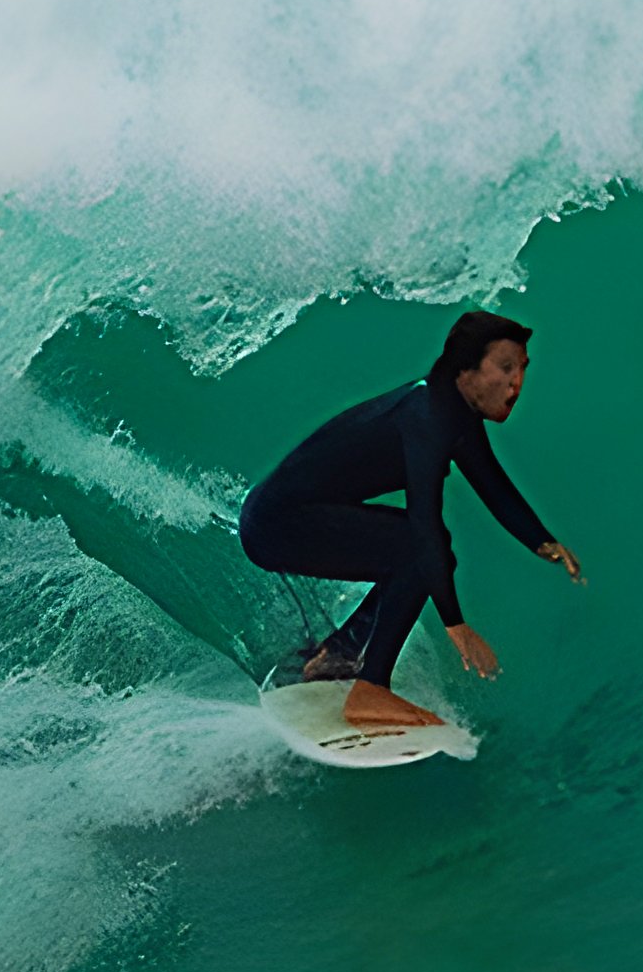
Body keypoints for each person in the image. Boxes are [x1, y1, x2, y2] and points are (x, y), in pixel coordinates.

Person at [237, 310, 581, 737]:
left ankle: (340, 653)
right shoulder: (427, 417)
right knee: (418, 549)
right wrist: (455, 623)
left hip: (278, 515)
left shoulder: (451, 412)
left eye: (523, 368)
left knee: (421, 551)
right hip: (278, 524)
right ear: (466, 370)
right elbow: (424, 520)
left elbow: (492, 484)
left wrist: (541, 541)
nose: (517, 383)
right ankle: (370, 689)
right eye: (506, 367)